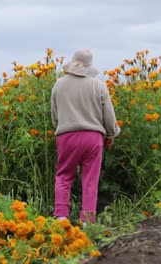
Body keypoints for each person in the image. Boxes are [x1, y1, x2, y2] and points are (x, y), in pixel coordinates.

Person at [50, 49, 120, 225]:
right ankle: (87, 220)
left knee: (64, 176)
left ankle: (61, 217)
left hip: (66, 137)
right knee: (90, 180)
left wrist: (62, 126)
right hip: (93, 138)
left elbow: (55, 115)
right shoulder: (98, 85)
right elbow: (109, 116)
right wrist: (111, 134)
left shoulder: (59, 84)